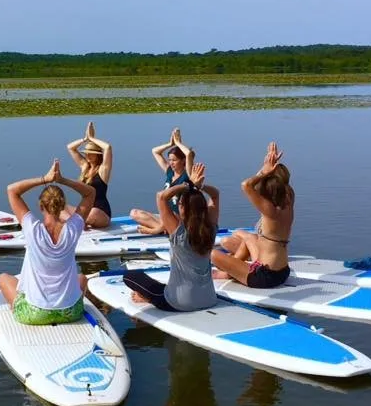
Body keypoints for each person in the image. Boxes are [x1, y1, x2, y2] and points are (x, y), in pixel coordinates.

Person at [0, 159, 96, 325]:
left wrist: (46, 178)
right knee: (82, 278)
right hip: (70, 312)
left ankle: (18, 309)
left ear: (41, 206)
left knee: (2, 278)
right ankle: (63, 307)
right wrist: (62, 179)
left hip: (35, 314)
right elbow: (90, 193)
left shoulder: (32, 228)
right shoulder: (73, 228)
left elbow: (12, 190)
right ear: (63, 205)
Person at [123, 162, 220, 311]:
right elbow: (215, 194)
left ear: (184, 209)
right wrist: (199, 186)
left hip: (179, 303)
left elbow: (161, 197)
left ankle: (147, 298)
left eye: (180, 204)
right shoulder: (211, 229)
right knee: (162, 286)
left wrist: (188, 185)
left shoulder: (178, 232)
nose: (178, 206)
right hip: (209, 299)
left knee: (130, 276)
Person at [212, 141, 294, 288]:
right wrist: (269, 166)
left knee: (213, 255)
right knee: (249, 238)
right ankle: (231, 270)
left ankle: (229, 271)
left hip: (265, 276)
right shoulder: (288, 199)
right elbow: (261, 184)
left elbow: (247, 185)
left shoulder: (270, 211)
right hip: (282, 271)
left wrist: (264, 171)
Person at [130, 127, 195, 235]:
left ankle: (157, 230)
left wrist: (178, 143)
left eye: (174, 160)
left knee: (170, 217)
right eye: (169, 160)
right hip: (166, 217)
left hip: (180, 219)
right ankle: (164, 229)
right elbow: (155, 151)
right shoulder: (169, 171)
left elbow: (188, 154)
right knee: (134, 213)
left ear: (183, 161)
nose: (171, 163)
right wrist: (170, 144)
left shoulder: (187, 176)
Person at [65, 120, 113, 229]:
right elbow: (70, 147)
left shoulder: (102, 170)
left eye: (91, 154)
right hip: (85, 210)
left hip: (101, 212)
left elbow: (108, 148)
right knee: (59, 207)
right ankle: (80, 223)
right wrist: (85, 139)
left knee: (92, 214)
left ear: (98, 156)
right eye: (87, 153)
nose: (88, 155)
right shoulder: (84, 167)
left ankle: (78, 223)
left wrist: (92, 138)